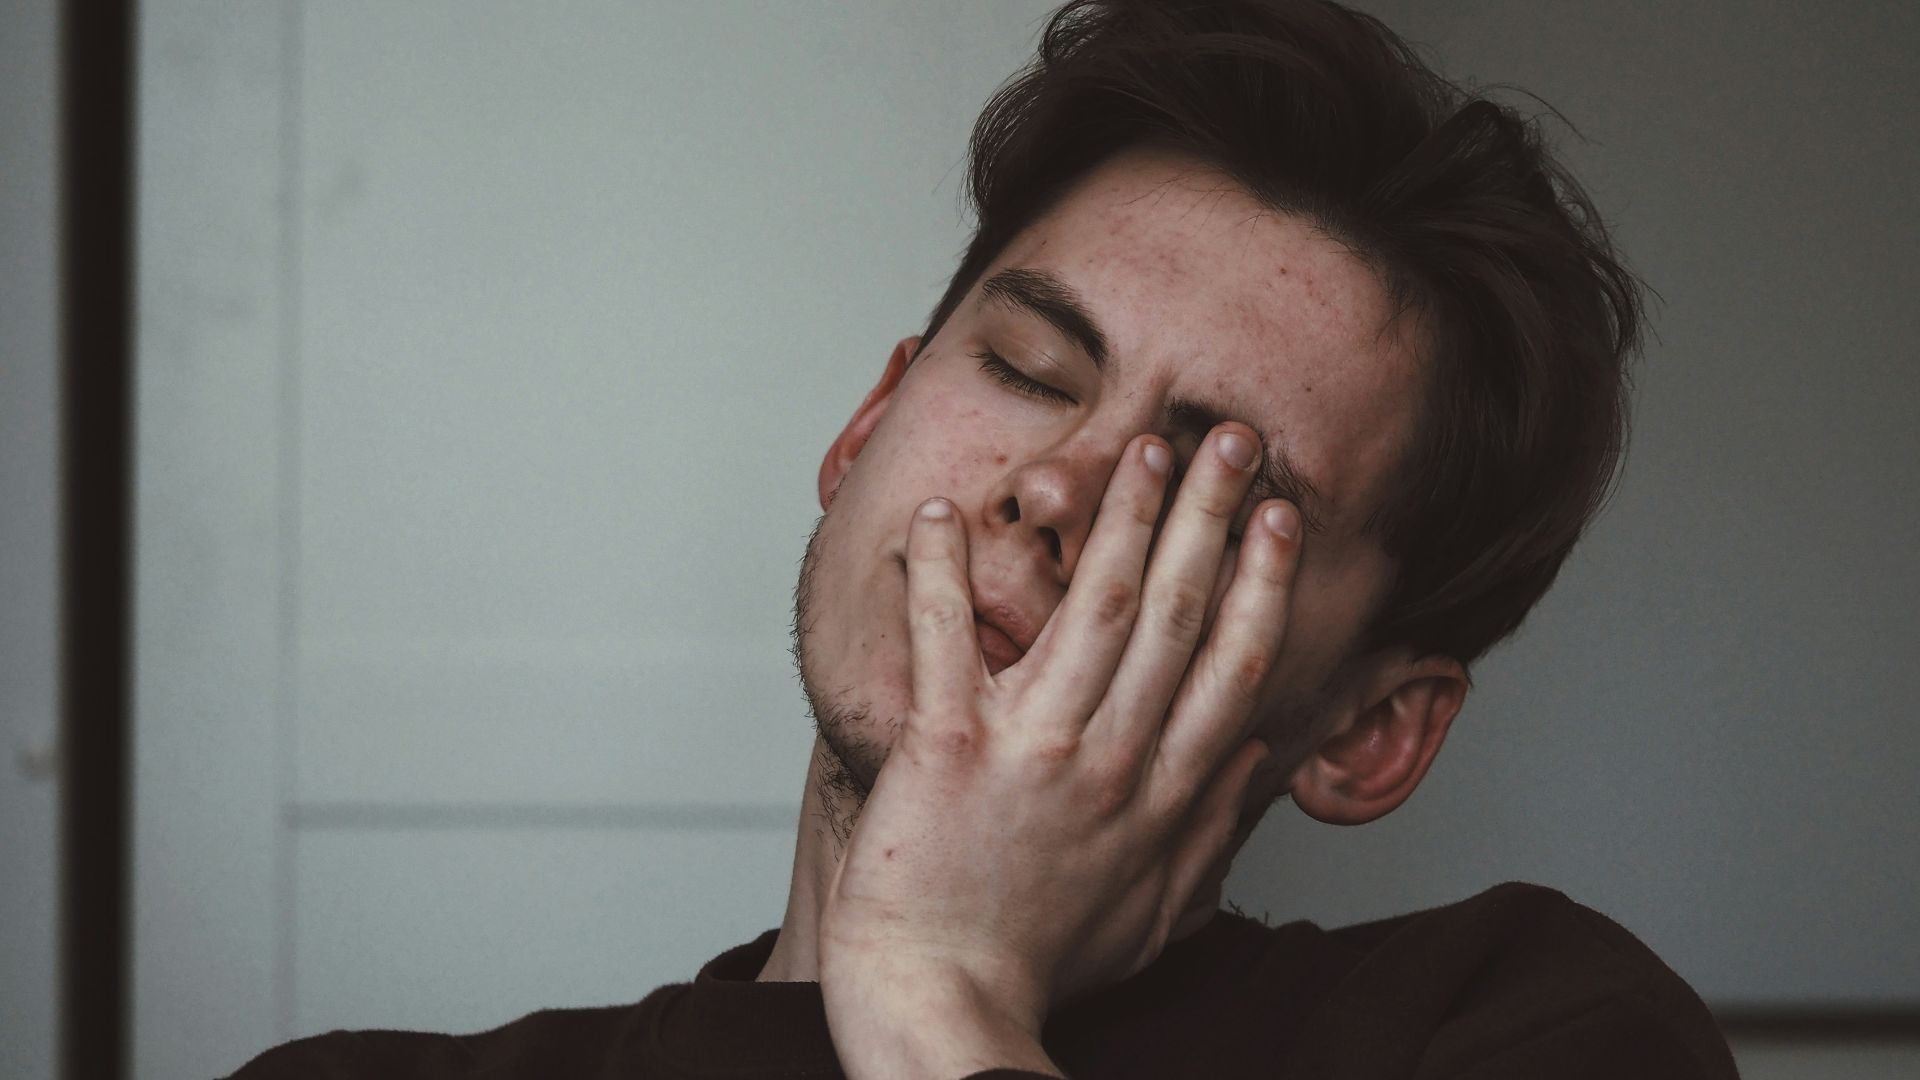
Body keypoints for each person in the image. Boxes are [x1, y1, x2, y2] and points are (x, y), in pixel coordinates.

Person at [231, 1, 1739, 1077]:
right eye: (1023, 371)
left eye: (1211, 486)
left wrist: (941, 998)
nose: (1054, 489)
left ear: (1372, 731)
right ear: (864, 427)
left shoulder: (1525, 1029)